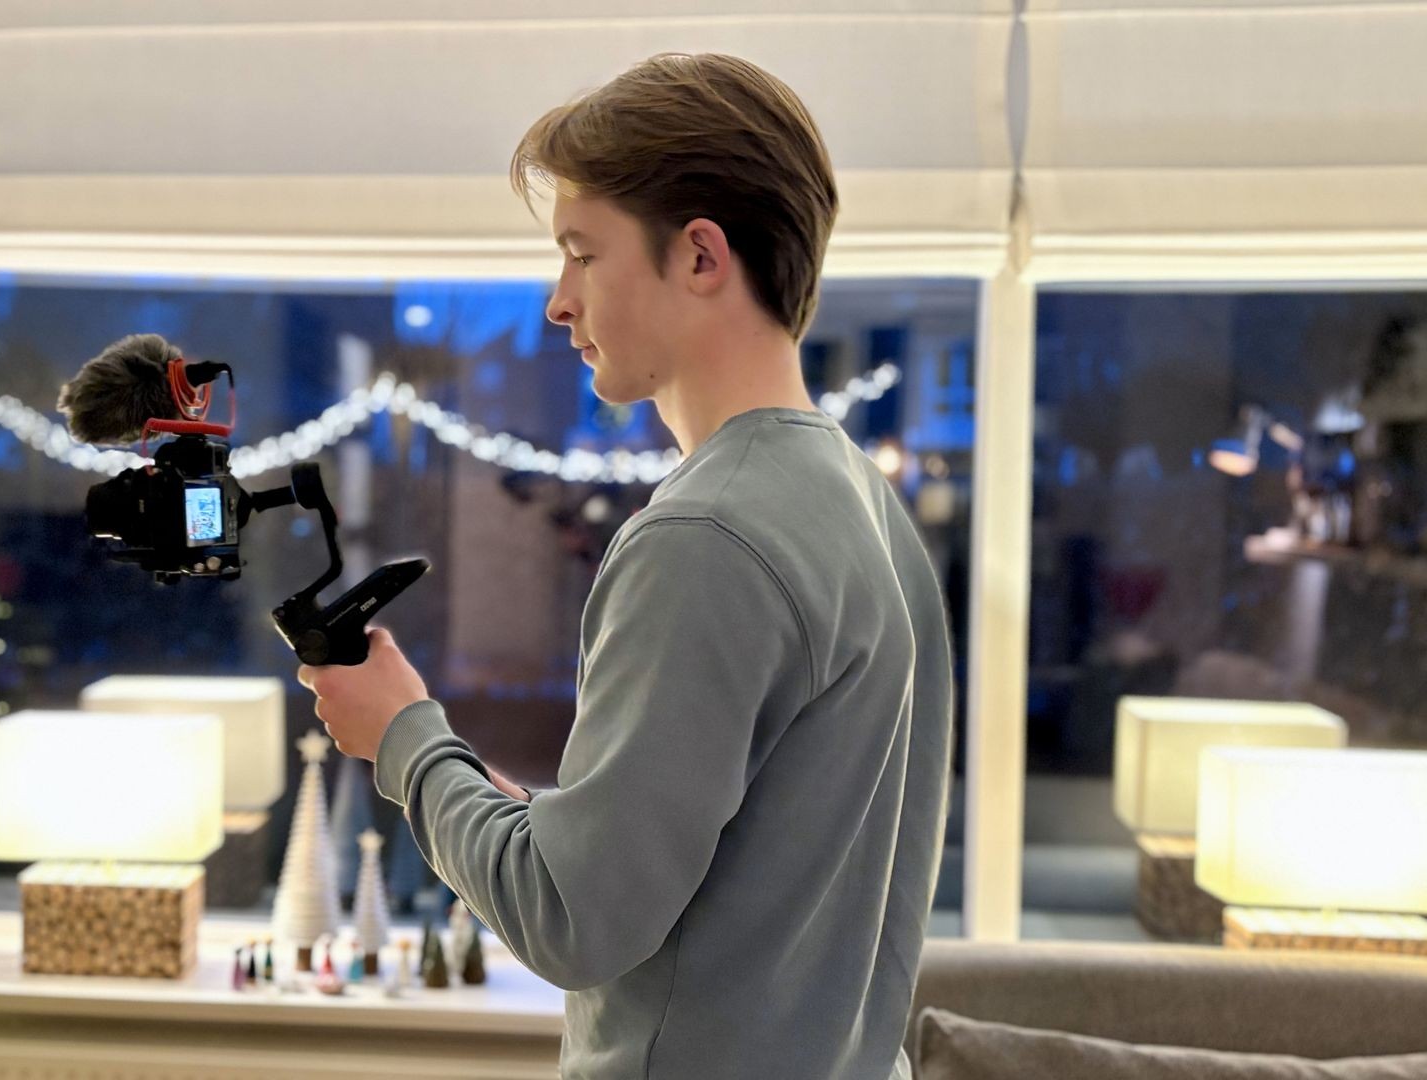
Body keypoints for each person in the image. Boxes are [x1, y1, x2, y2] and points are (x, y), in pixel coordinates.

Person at [299, 52, 953, 1080]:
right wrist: (520, 811)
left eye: (581, 254)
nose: (558, 303)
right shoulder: (863, 503)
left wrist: (403, 739)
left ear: (700, 255)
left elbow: (574, 920)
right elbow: (741, 868)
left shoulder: (704, 537)